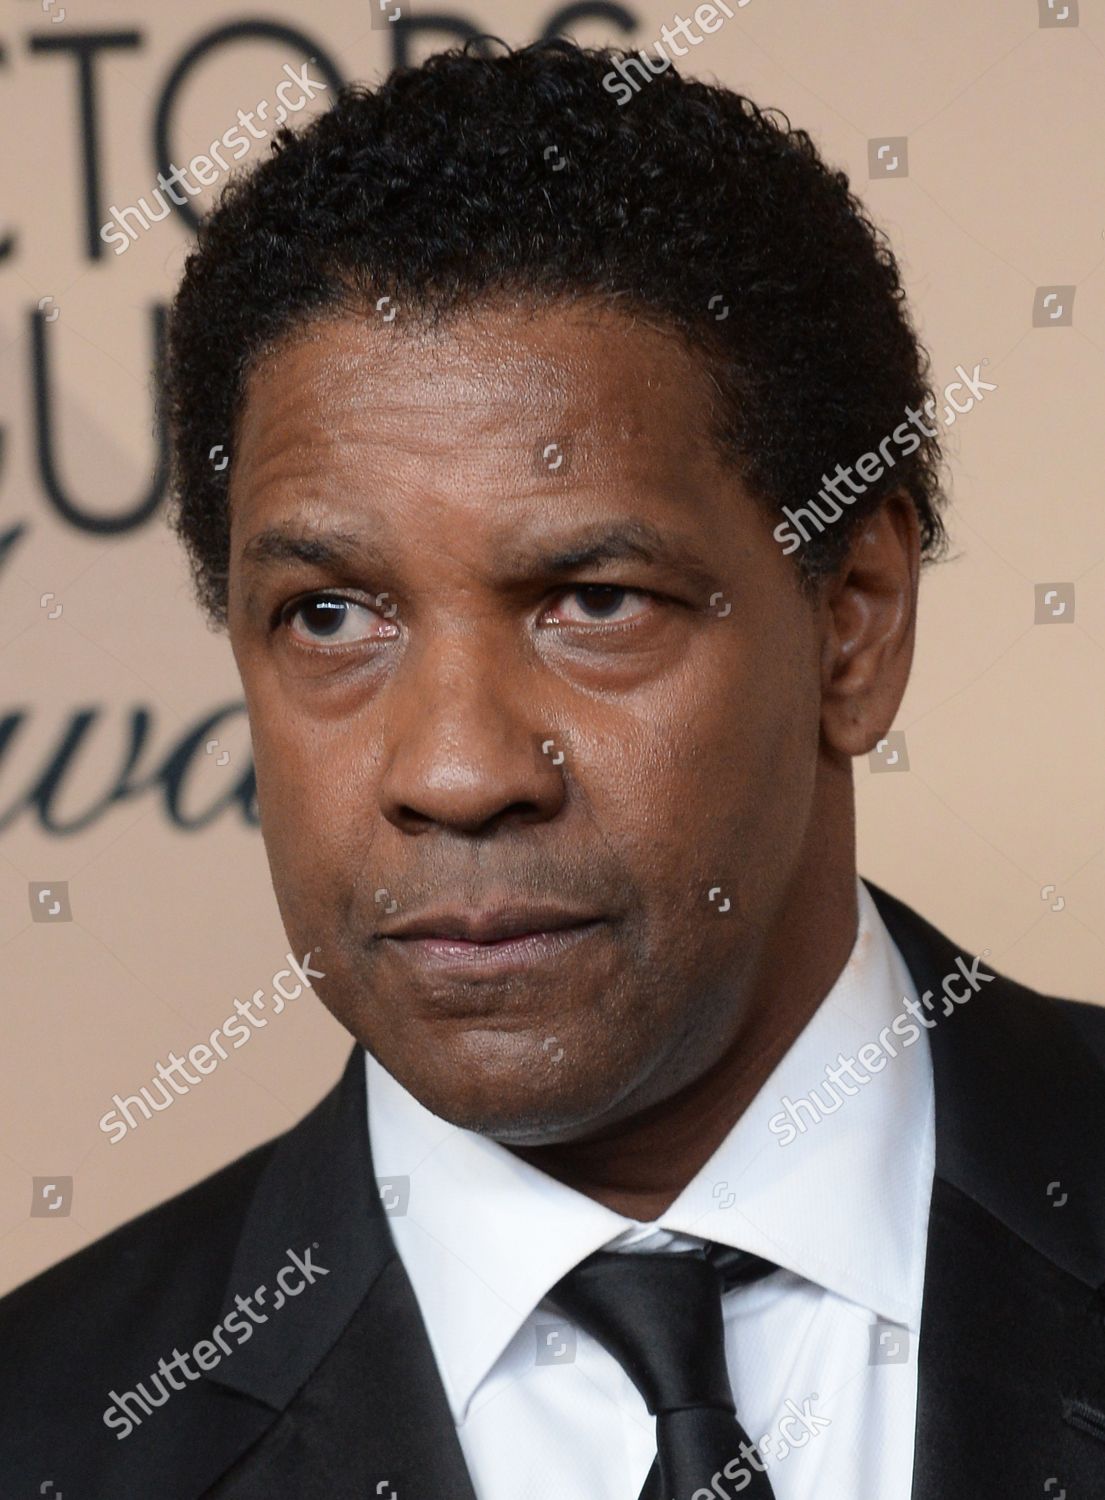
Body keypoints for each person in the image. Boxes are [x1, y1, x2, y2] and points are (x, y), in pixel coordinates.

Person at [2, 37, 1103, 1500]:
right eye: (329, 615)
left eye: (593, 602)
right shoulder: (55, 1434)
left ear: (851, 623)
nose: (456, 772)